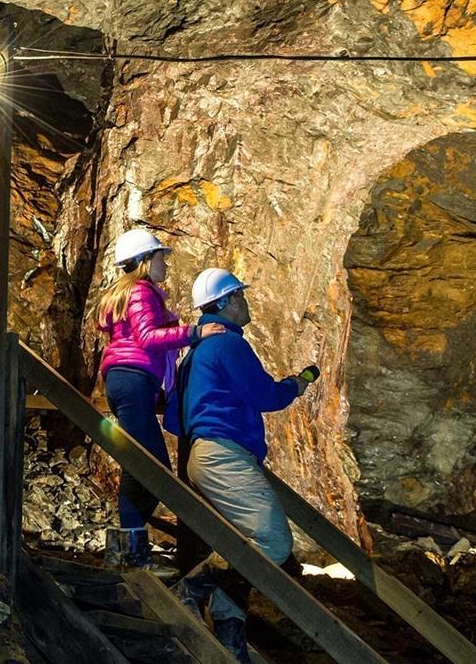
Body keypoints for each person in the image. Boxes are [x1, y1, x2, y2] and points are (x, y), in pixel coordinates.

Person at [164, 268, 320, 661]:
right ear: (228, 301)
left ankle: (231, 639)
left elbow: (173, 417)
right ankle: (192, 589)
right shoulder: (229, 345)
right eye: (242, 297)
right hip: (224, 456)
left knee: (241, 547)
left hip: (206, 455)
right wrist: (294, 385)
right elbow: (265, 395)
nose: (246, 303)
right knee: (273, 541)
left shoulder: (197, 351)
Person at [97, 228, 225, 570]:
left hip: (129, 381)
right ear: (144, 261)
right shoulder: (141, 291)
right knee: (155, 471)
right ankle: (132, 556)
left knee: (138, 469)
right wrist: (196, 333)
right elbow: (149, 337)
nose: (164, 263)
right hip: (134, 379)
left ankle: (122, 553)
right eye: (160, 257)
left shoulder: (128, 292)